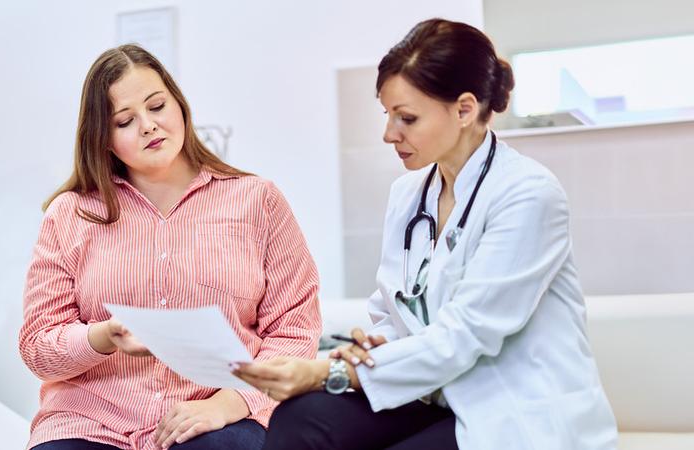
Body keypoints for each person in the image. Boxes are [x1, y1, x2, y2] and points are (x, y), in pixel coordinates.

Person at [233, 18, 618, 450]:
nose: (388, 134)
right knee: (304, 420)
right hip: (435, 394)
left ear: (465, 109)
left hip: (511, 407)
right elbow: (394, 311)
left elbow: (466, 333)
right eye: (388, 115)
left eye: (407, 118)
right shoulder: (408, 194)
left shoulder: (529, 195)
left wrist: (329, 372)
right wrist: (374, 346)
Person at [18, 44, 321, 450]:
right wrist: (103, 336)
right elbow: (38, 347)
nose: (148, 125)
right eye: (125, 121)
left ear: (180, 106)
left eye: (157, 106)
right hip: (89, 419)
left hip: (216, 416)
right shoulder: (70, 214)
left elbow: (294, 330)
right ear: (104, 140)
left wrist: (233, 402)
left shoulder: (257, 200)